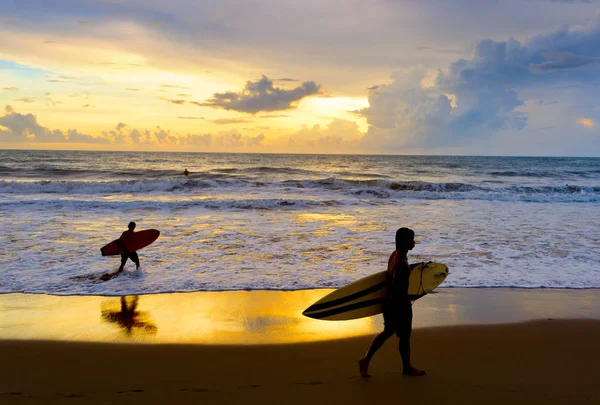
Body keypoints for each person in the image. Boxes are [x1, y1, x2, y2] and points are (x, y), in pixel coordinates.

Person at [358, 227, 426, 378]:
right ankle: (407, 368)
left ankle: (366, 360)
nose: (414, 242)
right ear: (404, 242)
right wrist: (408, 299)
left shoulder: (395, 255)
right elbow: (397, 285)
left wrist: (414, 268)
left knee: (387, 332)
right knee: (405, 336)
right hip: (398, 305)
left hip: (388, 303)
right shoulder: (401, 262)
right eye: (411, 239)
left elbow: (395, 277)